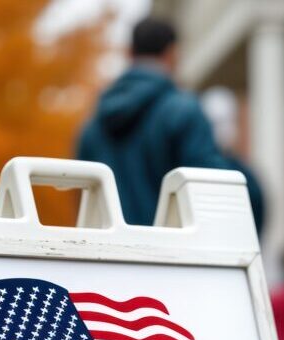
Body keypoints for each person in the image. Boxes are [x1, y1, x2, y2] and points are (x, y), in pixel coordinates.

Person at [76, 17, 232, 225]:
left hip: (106, 251)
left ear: (129, 53)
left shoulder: (91, 127)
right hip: (169, 252)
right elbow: (211, 189)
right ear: (172, 54)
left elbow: (82, 201)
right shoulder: (184, 111)